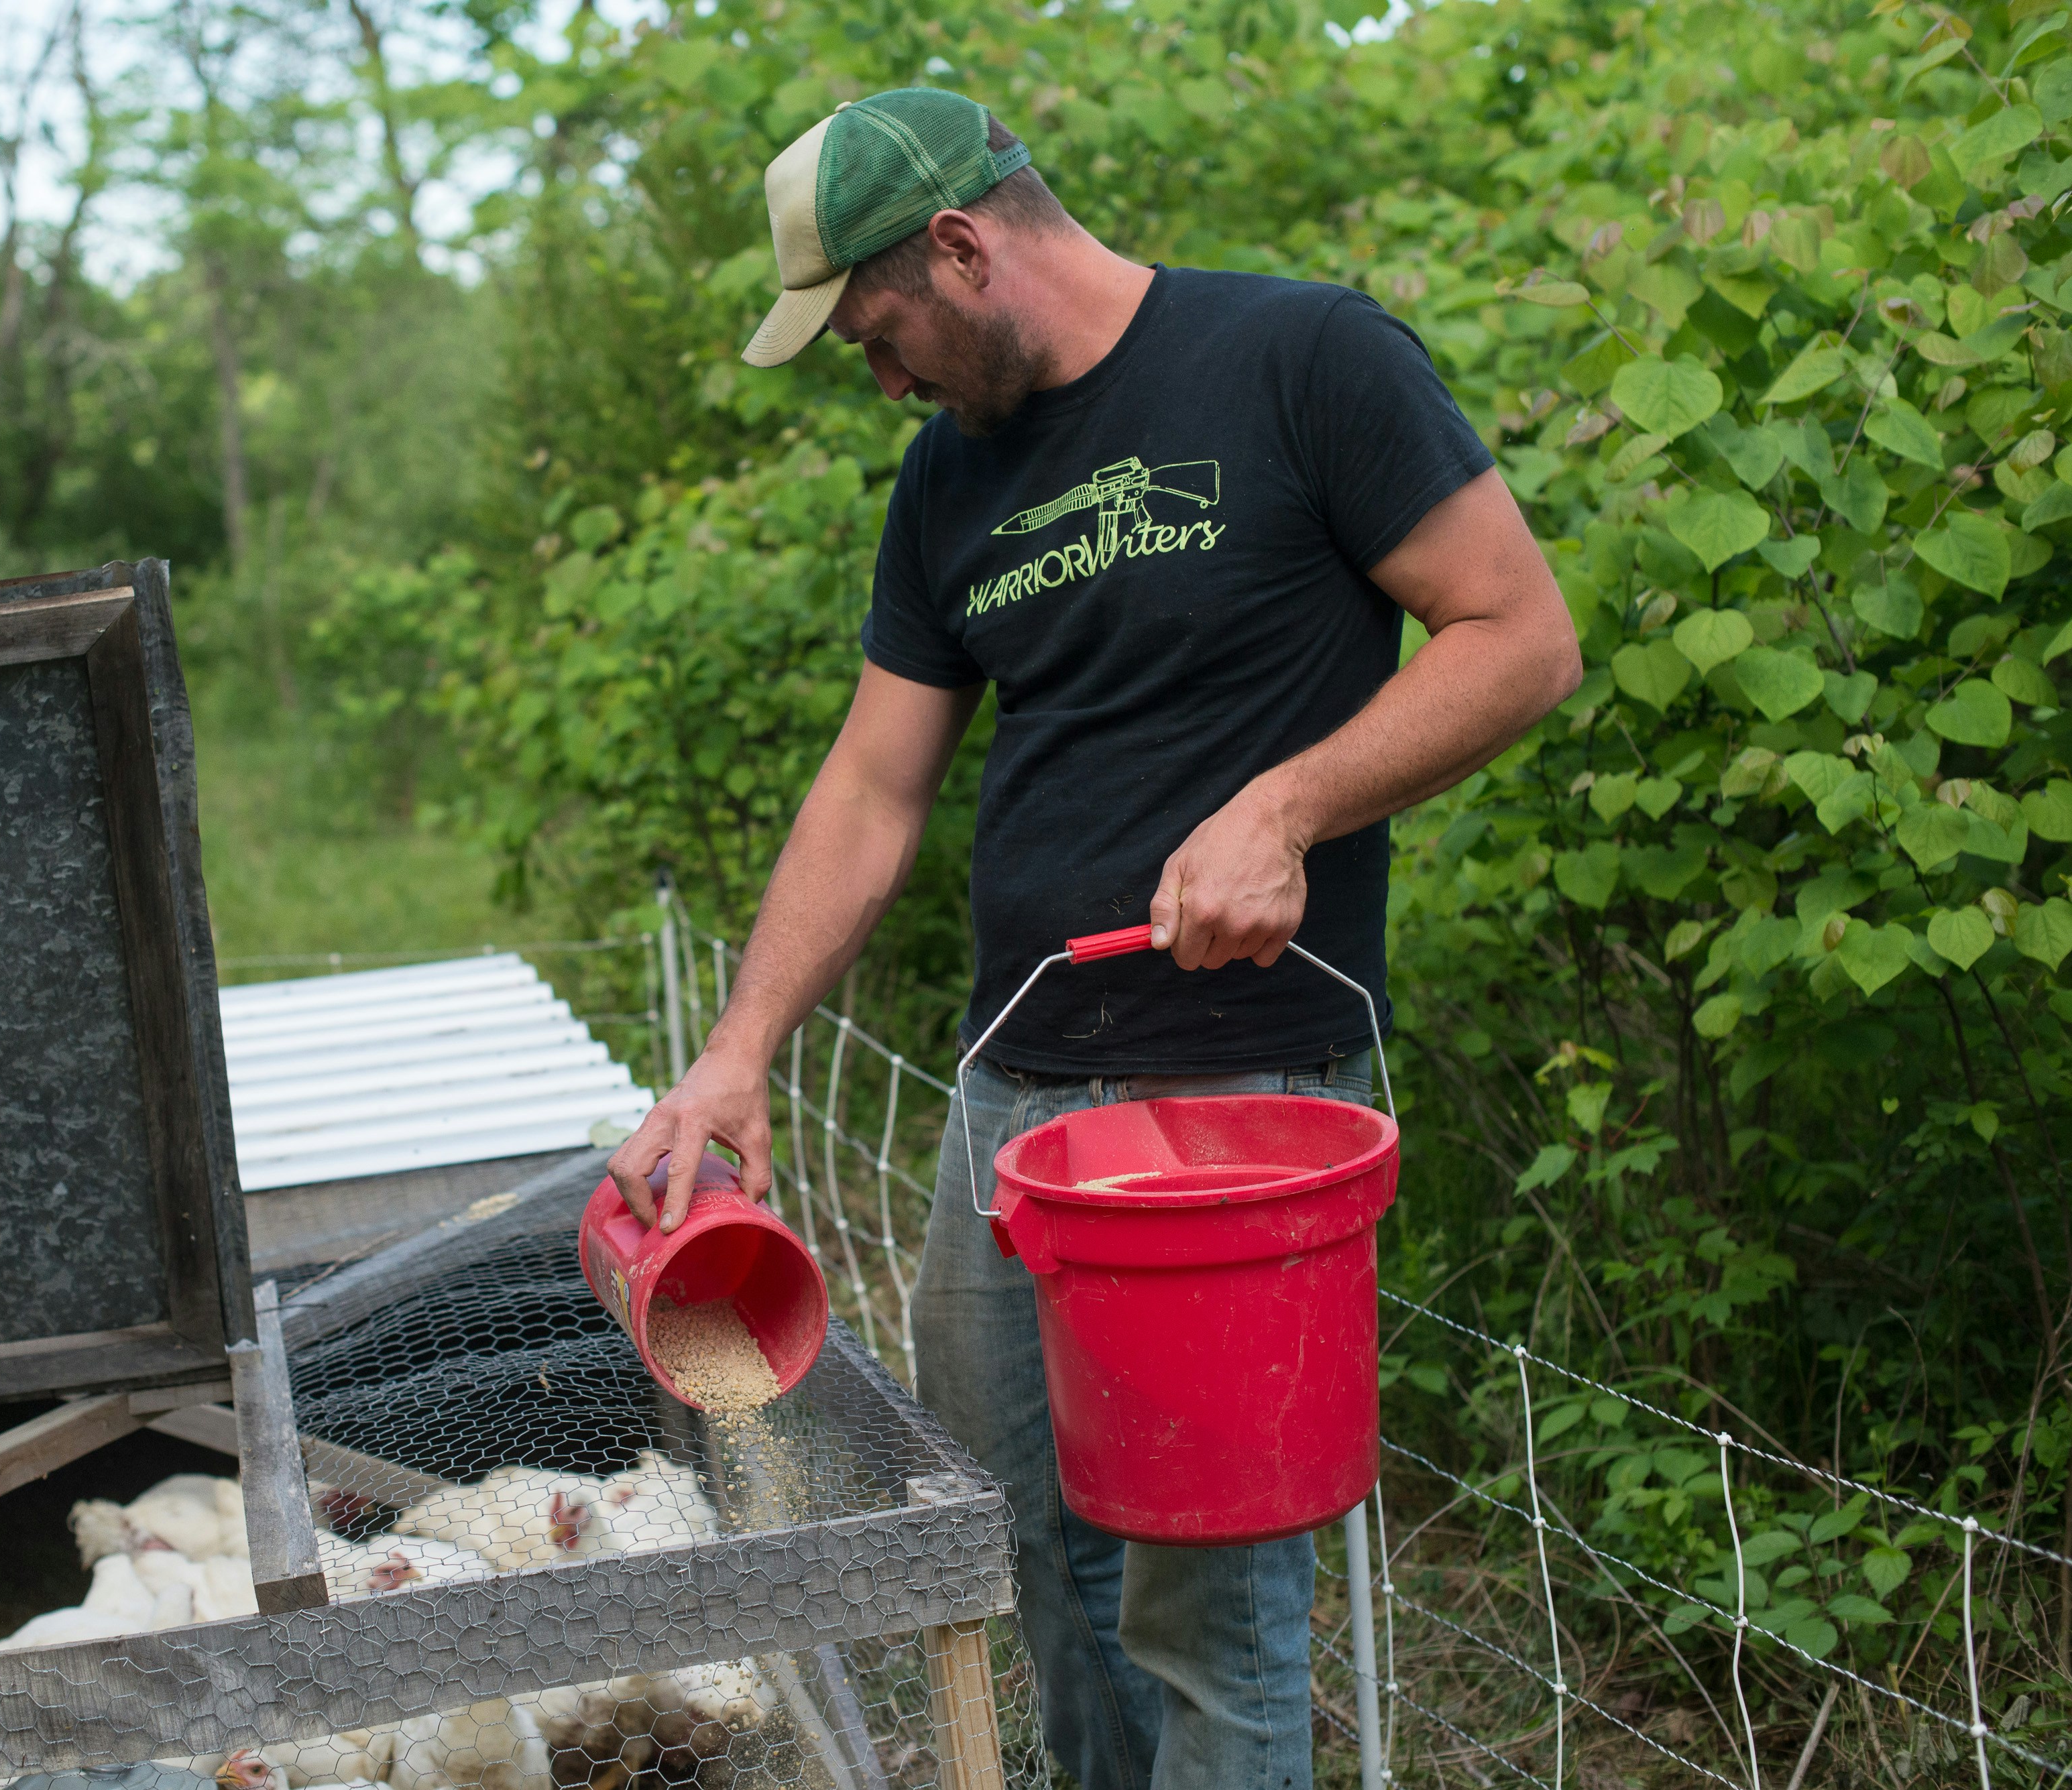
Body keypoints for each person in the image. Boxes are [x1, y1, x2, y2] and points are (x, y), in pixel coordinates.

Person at [605, 88, 1580, 1790]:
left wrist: (1283, 811)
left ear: (963, 249)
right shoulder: (945, 478)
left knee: (1207, 1605)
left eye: (873, 330)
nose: (881, 378)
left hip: (1235, 1093)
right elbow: (870, 784)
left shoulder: (1302, 362)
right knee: (1027, 1549)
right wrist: (736, 1050)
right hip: (1015, 1101)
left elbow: (1518, 637)